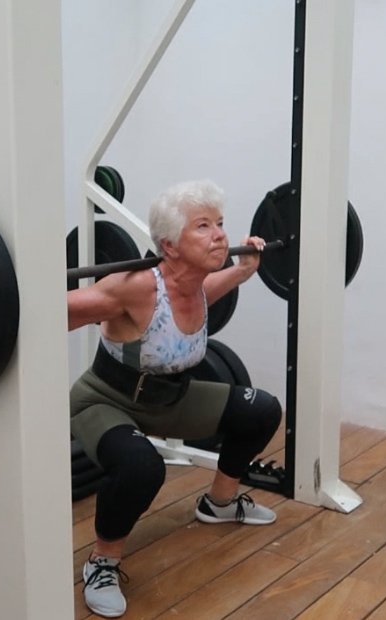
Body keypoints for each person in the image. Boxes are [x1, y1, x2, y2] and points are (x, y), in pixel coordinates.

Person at [67, 179, 283, 618]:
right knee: (141, 467)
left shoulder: (196, 285)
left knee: (261, 410)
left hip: (171, 401)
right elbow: (43, 313)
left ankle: (219, 505)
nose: (220, 234)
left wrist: (243, 271)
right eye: (202, 226)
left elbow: (208, 291)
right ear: (169, 245)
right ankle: (102, 562)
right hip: (105, 401)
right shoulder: (132, 288)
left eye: (220, 223)